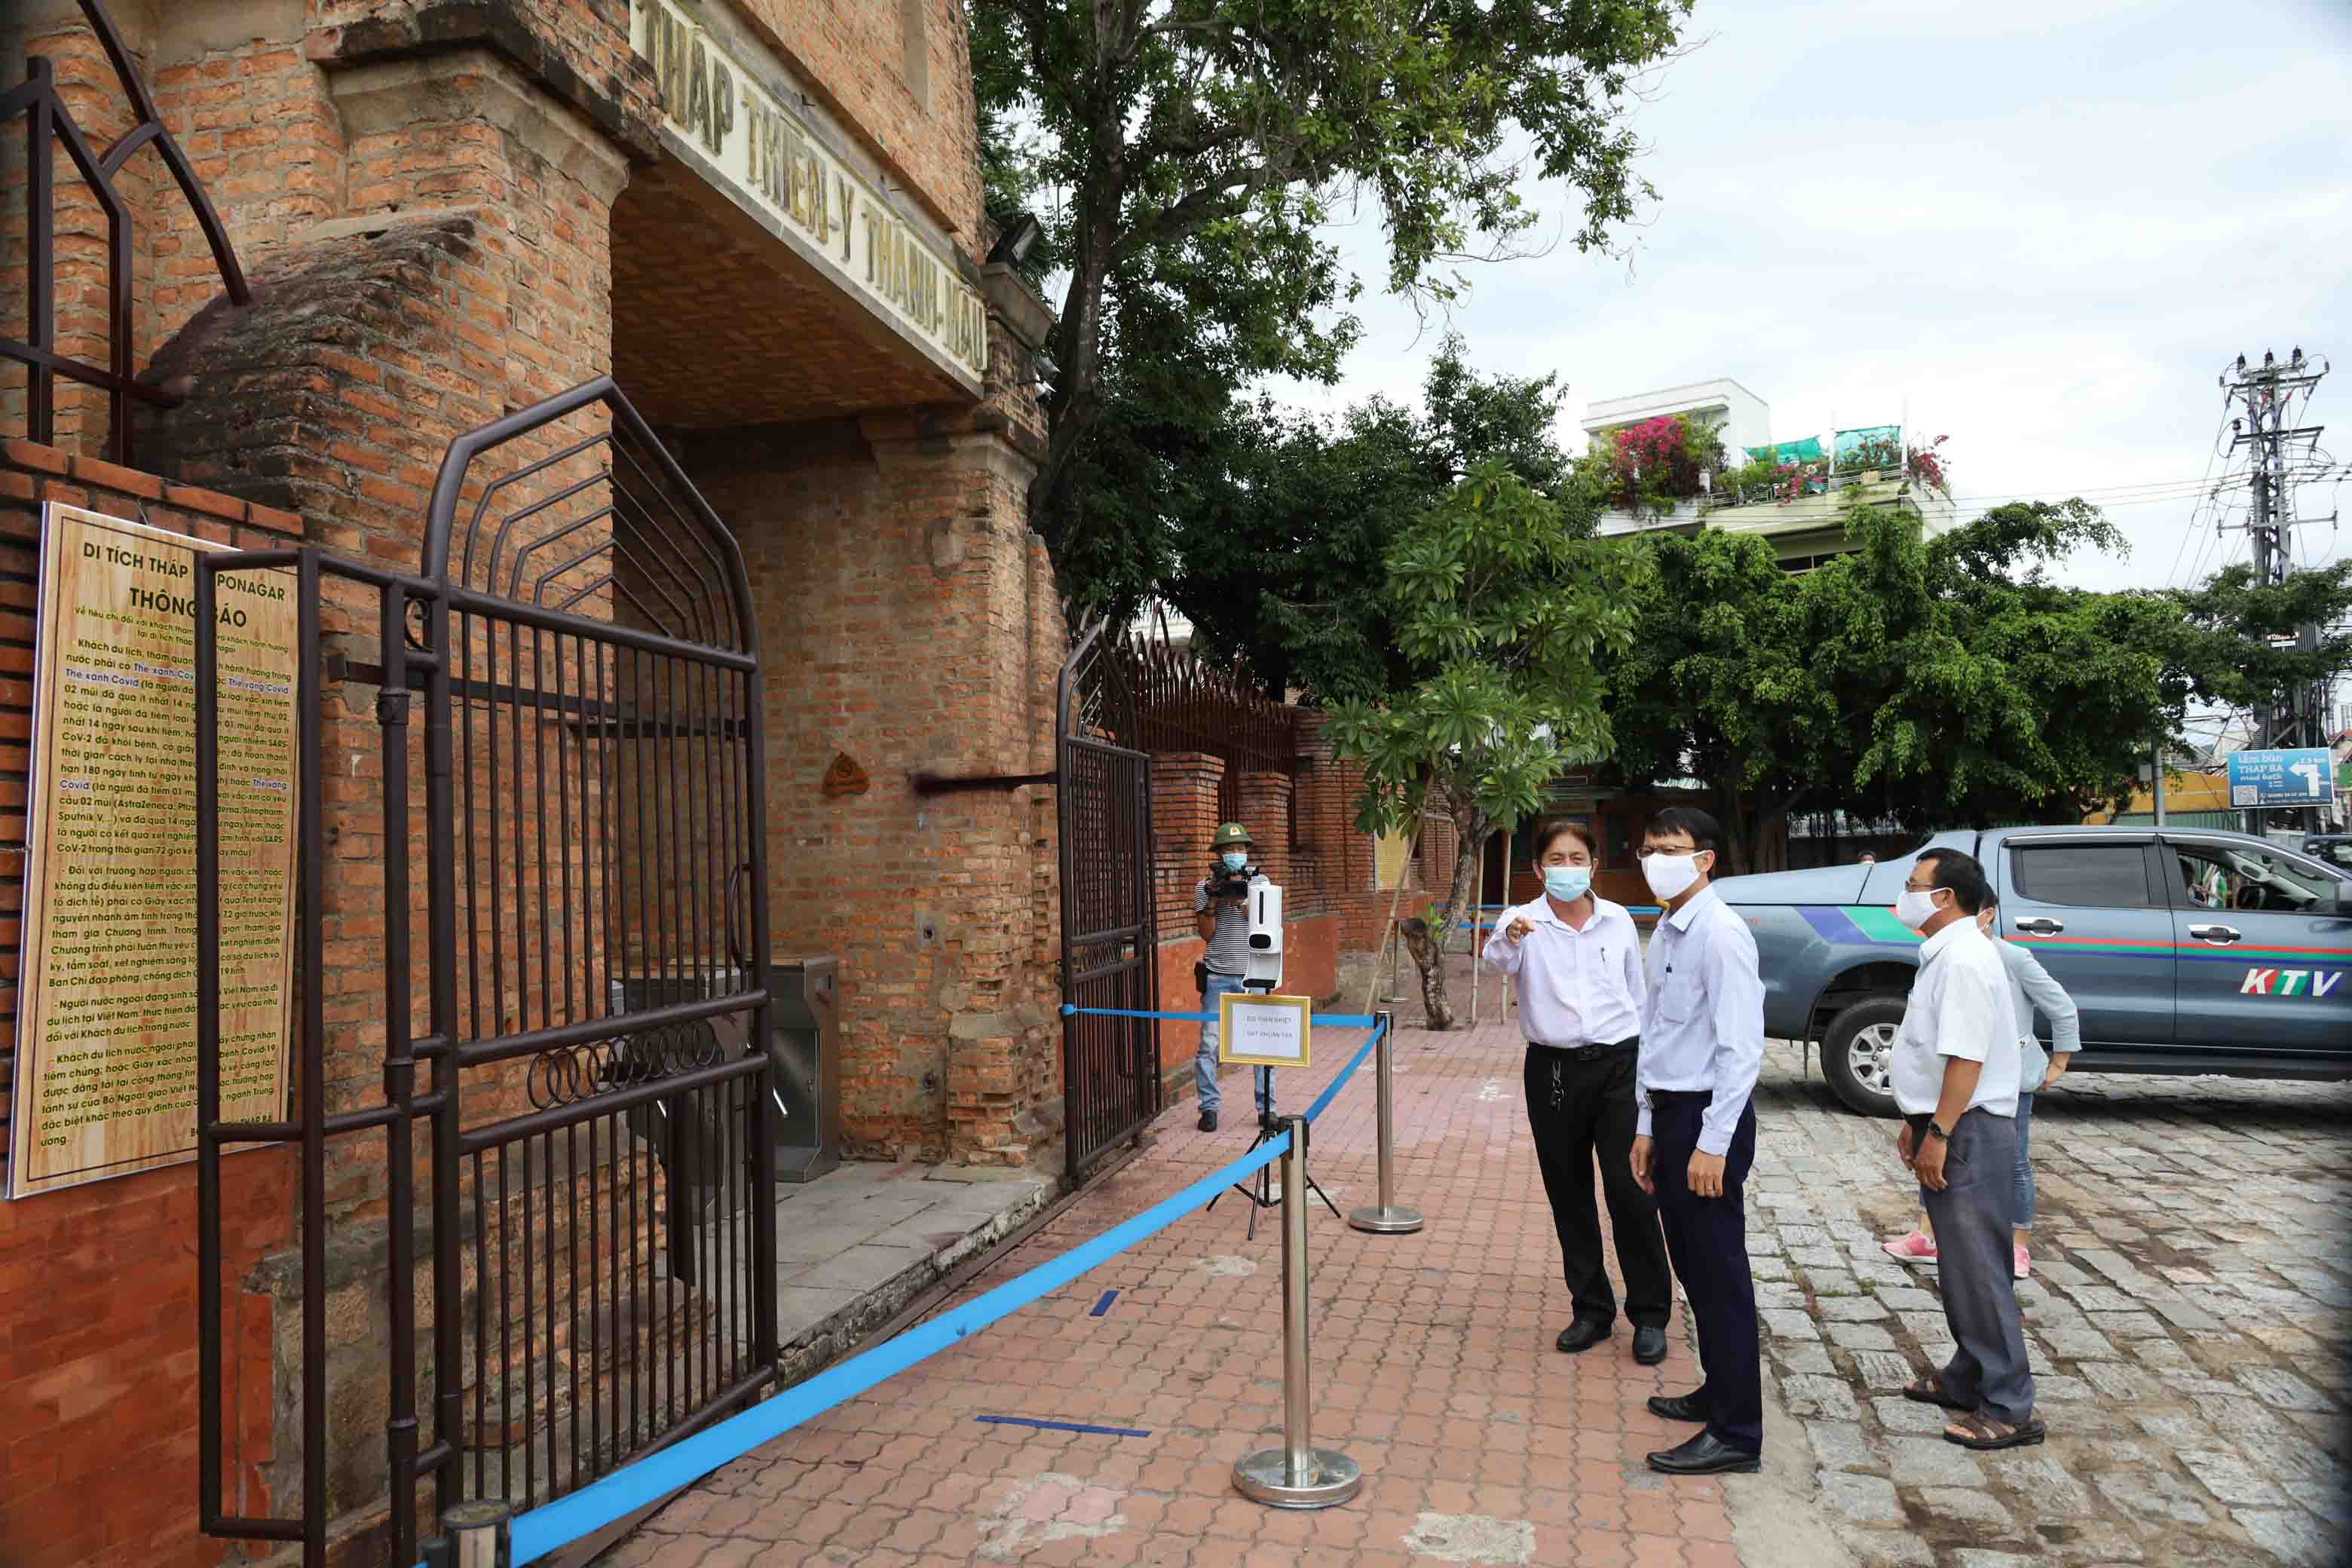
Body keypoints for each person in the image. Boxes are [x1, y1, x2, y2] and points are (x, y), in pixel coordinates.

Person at [1483, 819, 1672, 1366]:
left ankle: (1650, 1313)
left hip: (1618, 1065)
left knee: (1631, 1189)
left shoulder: (1617, 921)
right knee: (1568, 1191)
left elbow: (1638, 998)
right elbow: (1496, 962)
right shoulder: (1521, 922)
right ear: (1539, 869)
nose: (1567, 868)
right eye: (1556, 859)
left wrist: (1645, 1069)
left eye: (1577, 858)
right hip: (1555, 1072)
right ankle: (1591, 1309)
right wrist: (1510, 936)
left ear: (1593, 864)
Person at [1889, 848, 2043, 1452]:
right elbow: (1930, 1053)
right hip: (1949, 1120)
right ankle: (1968, 1376)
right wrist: (1916, 1119)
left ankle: (2010, 1405)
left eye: (1914, 885)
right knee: (1962, 1265)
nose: (1904, 895)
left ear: (1945, 896)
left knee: (1979, 1270)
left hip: (1971, 1128)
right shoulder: (1947, 956)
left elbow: (1966, 1058)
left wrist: (1942, 1132)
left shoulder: (1964, 960)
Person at [1628, 807, 1766, 1477]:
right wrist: (1648, 1125)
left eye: (1671, 847)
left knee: (1720, 1276)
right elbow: (1658, 1037)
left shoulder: (1720, 934)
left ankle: (1738, 1434)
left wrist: (1713, 1143)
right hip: (1675, 1117)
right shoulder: (1667, 932)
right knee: (1693, 1270)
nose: (1656, 857)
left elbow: (1741, 1050)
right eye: (1649, 846)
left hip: (1711, 1121)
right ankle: (1719, 1390)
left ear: (1705, 858)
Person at [1882, 890, 2079, 1279]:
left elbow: (2062, 1007)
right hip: (1953, 1078)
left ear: (1986, 915)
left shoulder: (2011, 958)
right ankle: (1928, 1231)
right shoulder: (1944, 956)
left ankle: (2016, 1242)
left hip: (2004, 1082)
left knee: (2016, 1163)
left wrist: (2058, 1062)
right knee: (1933, 1155)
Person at [1193, 821, 1272, 1133]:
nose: (1235, 854)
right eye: (1229, 849)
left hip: (1253, 974)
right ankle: (1209, 1108)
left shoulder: (1260, 881)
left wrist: (1242, 900)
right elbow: (1206, 934)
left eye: (1240, 849)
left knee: (1262, 1045)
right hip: (1217, 975)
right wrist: (1213, 900)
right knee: (1209, 1045)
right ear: (1219, 854)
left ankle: (1267, 1108)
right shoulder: (1204, 886)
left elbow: (1262, 926)